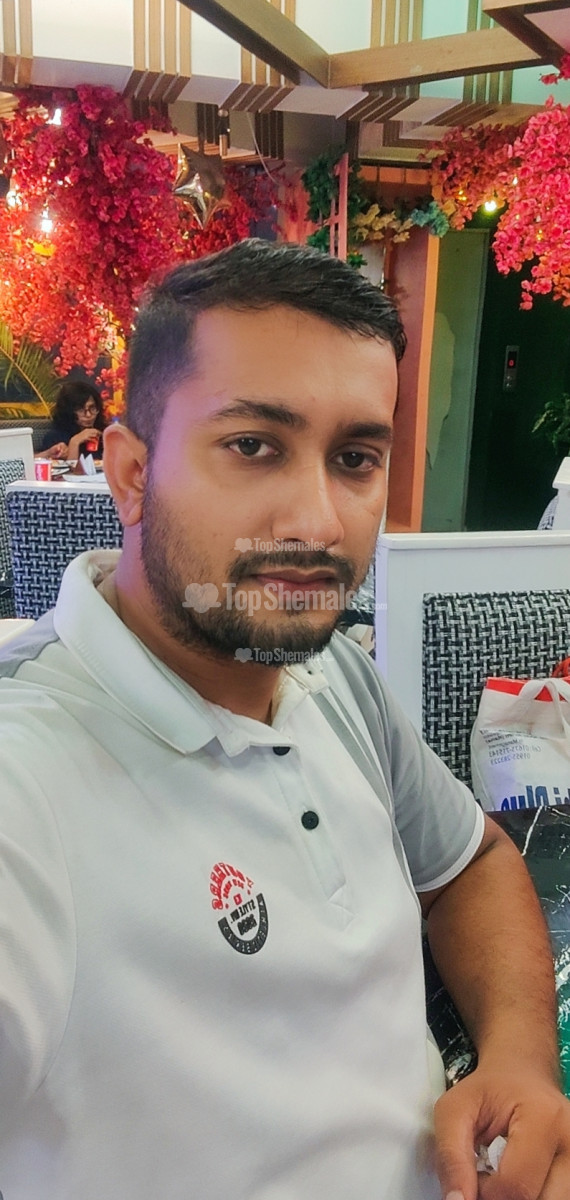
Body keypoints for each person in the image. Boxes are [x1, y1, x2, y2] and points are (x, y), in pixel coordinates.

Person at [0, 240, 569, 1200]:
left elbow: (469, 863)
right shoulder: (29, 771)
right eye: (254, 445)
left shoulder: (332, 674)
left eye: (355, 459)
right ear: (131, 474)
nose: (317, 521)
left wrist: (518, 1061)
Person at [39, 378, 105, 461]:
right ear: (68, 411)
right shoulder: (55, 437)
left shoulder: (104, 432)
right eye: (81, 410)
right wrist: (75, 442)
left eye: (92, 408)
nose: (88, 415)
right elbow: (70, 468)